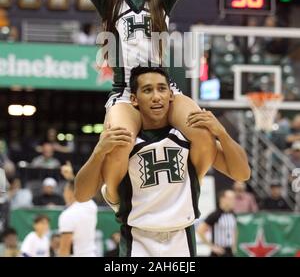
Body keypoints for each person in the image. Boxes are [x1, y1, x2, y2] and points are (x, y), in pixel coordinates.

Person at [69, 0, 211, 195]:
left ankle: (190, 189)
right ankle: (116, 196)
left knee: (202, 131)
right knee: (118, 140)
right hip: (126, 93)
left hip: (164, 88)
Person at [76, 66, 250, 257]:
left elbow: (242, 173)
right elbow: (81, 195)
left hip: (181, 236)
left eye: (161, 89)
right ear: (134, 99)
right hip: (139, 238)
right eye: (148, 90)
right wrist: (98, 152)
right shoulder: (122, 142)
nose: (156, 97)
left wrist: (222, 133)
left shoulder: (190, 138)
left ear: (171, 94)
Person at [58, 181, 97, 257]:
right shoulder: (91, 205)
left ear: (70, 192)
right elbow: (79, 184)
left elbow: (64, 250)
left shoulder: (67, 215)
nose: (64, 195)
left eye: (65, 191)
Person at [197, 190, 237, 257]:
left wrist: (234, 245)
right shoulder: (215, 215)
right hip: (219, 252)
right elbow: (200, 231)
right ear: (222, 199)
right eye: (230, 199)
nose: (233, 201)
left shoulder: (233, 214)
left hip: (230, 251)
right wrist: (212, 247)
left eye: (234, 198)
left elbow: (234, 230)